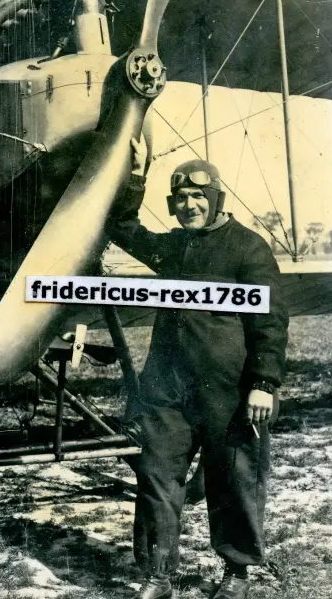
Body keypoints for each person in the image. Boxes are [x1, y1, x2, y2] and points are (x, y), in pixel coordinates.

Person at [109, 138, 289, 599]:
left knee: (233, 478)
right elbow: (122, 226)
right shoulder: (173, 248)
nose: (189, 205)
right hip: (168, 390)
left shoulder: (248, 249)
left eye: (198, 198)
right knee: (155, 476)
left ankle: (236, 572)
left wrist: (263, 383)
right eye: (182, 199)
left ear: (215, 202)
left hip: (228, 391)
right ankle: (158, 574)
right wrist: (134, 178)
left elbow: (270, 322)